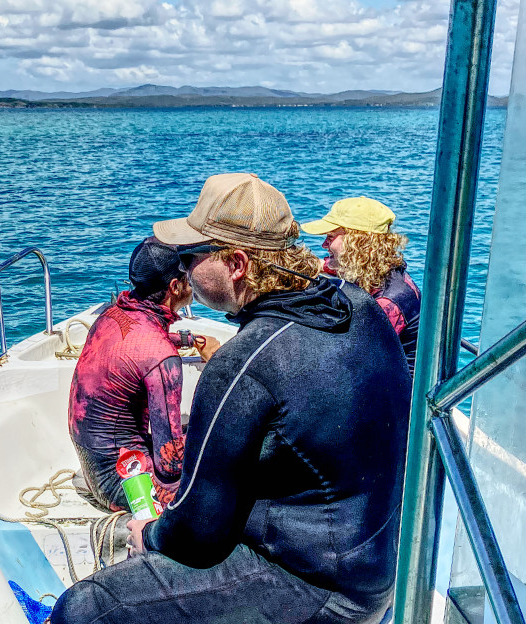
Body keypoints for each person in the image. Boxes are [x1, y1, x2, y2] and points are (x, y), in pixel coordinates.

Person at [52, 173, 412, 624]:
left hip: (317, 588)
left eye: (189, 256)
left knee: (84, 608)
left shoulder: (242, 364)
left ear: (236, 263)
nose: (181, 270)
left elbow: (196, 535)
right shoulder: (358, 306)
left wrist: (150, 535)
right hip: (379, 563)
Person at [68, 237, 219, 512]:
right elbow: (170, 465)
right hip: (128, 485)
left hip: (95, 467)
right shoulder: (162, 358)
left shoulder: (112, 315)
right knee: (223, 445)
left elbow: (140, 340)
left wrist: (188, 340)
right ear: (175, 287)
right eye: (190, 271)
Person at [301, 197, 420, 375]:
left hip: (395, 396)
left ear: (357, 243)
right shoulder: (374, 269)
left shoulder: (389, 302)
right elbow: (321, 266)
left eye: (331, 237)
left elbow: (346, 358)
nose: (324, 244)